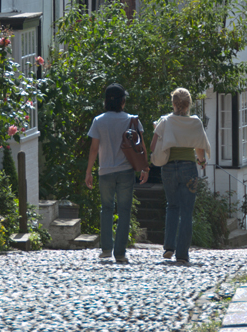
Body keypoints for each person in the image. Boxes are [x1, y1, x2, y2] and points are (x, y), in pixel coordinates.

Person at [85, 83, 148, 264]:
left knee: (106, 209)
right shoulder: (132, 120)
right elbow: (141, 146)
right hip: (126, 171)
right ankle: (120, 252)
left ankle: (106, 249)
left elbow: (94, 148)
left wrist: (89, 171)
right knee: (124, 210)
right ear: (122, 101)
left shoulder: (99, 120)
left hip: (105, 171)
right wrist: (145, 168)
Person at [148, 87, 211, 265]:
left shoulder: (166, 121)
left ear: (173, 103)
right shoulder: (195, 123)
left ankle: (169, 247)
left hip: (168, 168)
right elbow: (199, 147)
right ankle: (182, 254)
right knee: (187, 211)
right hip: (188, 168)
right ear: (189, 104)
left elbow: (153, 145)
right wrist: (202, 161)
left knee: (172, 206)